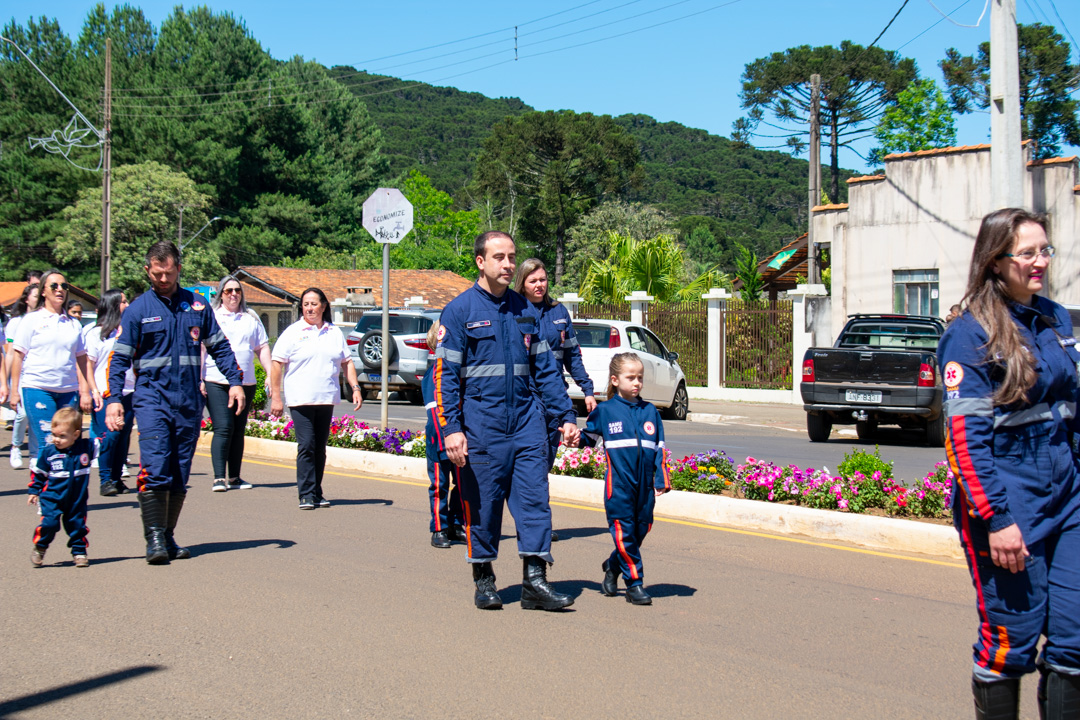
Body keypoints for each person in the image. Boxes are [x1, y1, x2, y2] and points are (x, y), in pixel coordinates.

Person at [939, 208, 1080, 719]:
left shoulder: (1056, 317)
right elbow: (964, 439)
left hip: (1068, 498)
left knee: (1075, 636)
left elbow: (1073, 409)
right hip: (1008, 503)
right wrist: (996, 519)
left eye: (1045, 250)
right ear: (996, 261)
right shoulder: (969, 333)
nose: (1040, 261)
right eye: (1027, 253)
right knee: (1011, 640)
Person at [434, 230, 579, 611]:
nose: (509, 264)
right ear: (480, 262)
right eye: (500, 257)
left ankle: (535, 582)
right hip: (482, 426)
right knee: (483, 508)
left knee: (535, 502)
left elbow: (547, 369)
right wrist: (452, 429)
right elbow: (445, 377)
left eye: (512, 257)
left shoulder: (526, 310)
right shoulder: (460, 311)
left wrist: (564, 415)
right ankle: (484, 581)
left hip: (528, 423)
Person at [104, 241, 245, 565]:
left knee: (180, 472)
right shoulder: (139, 309)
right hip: (152, 400)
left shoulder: (197, 307)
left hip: (188, 403)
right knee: (155, 468)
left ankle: (167, 535)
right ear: (148, 271)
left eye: (169, 273)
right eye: (157, 274)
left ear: (179, 269)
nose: (163, 279)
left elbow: (220, 348)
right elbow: (119, 359)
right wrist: (113, 399)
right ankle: (153, 538)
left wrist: (235, 383)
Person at [581, 353, 671, 606]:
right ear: (615, 380)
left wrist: (661, 478)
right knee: (625, 534)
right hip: (619, 486)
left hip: (645, 488)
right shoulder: (605, 411)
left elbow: (660, 448)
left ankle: (612, 565)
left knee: (641, 529)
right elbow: (589, 437)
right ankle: (635, 584)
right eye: (630, 378)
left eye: (640, 378)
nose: (636, 383)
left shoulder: (650, 411)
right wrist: (570, 437)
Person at [270, 287, 362, 510]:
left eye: (313, 304)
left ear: (323, 306)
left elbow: (347, 362)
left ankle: (316, 491)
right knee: (307, 445)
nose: (309, 308)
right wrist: (276, 397)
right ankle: (306, 494)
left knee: (319, 447)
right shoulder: (293, 332)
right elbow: (276, 364)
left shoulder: (334, 332)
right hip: (300, 398)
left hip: (325, 397)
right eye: (306, 304)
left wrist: (355, 387)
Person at [514, 257, 596, 467]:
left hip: (554, 393)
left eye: (543, 280)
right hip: (526, 395)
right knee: (531, 457)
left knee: (546, 458)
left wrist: (587, 389)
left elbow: (572, 355)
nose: (539, 285)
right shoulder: (514, 311)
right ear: (522, 283)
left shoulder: (558, 311)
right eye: (533, 281)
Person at [9, 270, 93, 464]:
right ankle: (41, 488)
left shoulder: (73, 324)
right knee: (48, 442)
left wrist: (86, 391)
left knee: (68, 442)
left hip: (68, 390)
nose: (59, 290)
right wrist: (14, 391)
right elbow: (17, 356)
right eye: (54, 286)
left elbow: (81, 359)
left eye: (64, 286)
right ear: (43, 291)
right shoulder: (31, 320)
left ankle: (62, 488)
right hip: (38, 388)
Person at [202, 276, 271, 492]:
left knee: (238, 430)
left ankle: (234, 476)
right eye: (228, 290)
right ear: (221, 294)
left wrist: (270, 373)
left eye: (237, 291)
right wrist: (199, 378)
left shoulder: (250, 318)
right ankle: (218, 478)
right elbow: (201, 348)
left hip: (245, 382)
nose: (233, 294)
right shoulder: (212, 317)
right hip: (217, 380)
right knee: (224, 427)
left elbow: (262, 348)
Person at [27, 406, 93, 568]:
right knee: (50, 524)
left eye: (62, 436)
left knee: (77, 525)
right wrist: (34, 491)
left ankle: (79, 552)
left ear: (76, 435)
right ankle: (40, 547)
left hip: (76, 499)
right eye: (54, 435)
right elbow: (39, 473)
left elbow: (106, 443)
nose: (57, 439)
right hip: (52, 498)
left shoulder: (86, 448)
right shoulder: (49, 453)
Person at [84, 289, 135, 496]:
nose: (127, 305)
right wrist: (92, 391)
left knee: (123, 437)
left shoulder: (130, 330)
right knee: (110, 436)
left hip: (129, 391)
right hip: (105, 394)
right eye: (123, 302)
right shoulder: (96, 333)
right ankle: (105, 479)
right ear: (113, 305)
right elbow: (88, 365)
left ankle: (116, 478)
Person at [421, 322, 465, 548]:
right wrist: (445, 440)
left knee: (462, 484)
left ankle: (456, 524)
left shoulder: (461, 371)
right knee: (439, 485)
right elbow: (435, 412)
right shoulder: (434, 374)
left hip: (460, 439)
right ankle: (438, 528)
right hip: (440, 439)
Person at [5, 283, 40, 468]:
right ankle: (16, 446)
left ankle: (34, 454)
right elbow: (11, 353)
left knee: (34, 414)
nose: (38, 299)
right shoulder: (16, 322)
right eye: (35, 295)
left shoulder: (45, 320)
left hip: (37, 375)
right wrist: (7, 382)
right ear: (27, 299)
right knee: (23, 413)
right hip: (21, 374)